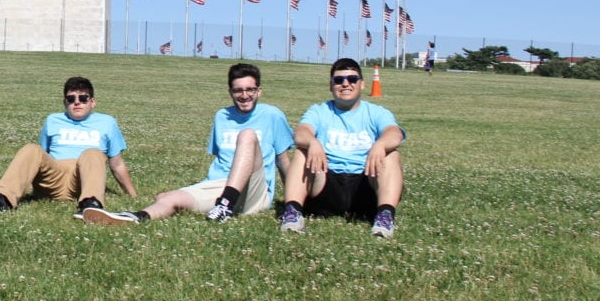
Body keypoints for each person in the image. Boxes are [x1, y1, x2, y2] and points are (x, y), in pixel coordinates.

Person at [82, 63, 292, 225]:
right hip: (220, 185)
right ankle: (134, 217)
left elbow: (283, 162)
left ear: (259, 91)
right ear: (230, 91)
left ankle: (225, 206)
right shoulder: (222, 116)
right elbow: (221, 159)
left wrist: (295, 203)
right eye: (238, 90)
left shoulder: (272, 115)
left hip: (254, 191)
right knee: (167, 197)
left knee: (247, 135)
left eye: (250, 90)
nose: (244, 95)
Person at [280, 58, 405, 238]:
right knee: (302, 151)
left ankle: (385, 216)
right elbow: (301, 133)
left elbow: (395, 134)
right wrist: (313, 142)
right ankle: (292, 213)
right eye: (339, 80)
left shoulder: (376, 112)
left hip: (364, 184)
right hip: (326, 185)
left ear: (362, 84)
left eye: (352, 79)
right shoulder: (320, 111)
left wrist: (380, 144)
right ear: (331, 86)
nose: (345, 84)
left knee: (391, 154)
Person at [0, 76, 136, 218]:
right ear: (65, 102)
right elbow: (41, 156)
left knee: (93, 153)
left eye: (83, 98)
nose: (77, 102)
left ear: (92, 102)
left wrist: (132, 195)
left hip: (81, 180)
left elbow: (117, 163)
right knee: (32, 149)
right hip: (53, 179)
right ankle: (1, 199)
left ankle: (90, 204)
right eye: (71, 99)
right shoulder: (53, 120)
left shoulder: (107, 123)